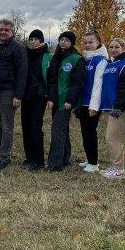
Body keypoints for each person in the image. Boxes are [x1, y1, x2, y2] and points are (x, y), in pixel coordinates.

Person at [0, 18, 27, 170]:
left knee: (6, 125)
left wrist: (18, 95)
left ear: (11, 31)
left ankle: (5, 157)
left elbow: (22, 72)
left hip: (8, 91)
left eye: (6, 30)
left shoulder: (18, 48)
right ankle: (2, 154)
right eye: (1, 30)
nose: (3, 32)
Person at [46, 31, 85, 171]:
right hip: (55, 100)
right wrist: (51, 98)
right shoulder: (55, 57)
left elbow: (77, 82)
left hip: (66, 100)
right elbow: (52, 81)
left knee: (57, 130)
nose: (63, 42)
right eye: (61, 39)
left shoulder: (76, 59)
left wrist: (70, 100)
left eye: (67, 40)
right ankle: (64, 158)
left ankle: (55, 164)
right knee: (62, 130)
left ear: (72, 43)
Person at [99, 38, 125, 180]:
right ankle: (114, 167)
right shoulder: (109, 64)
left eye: (117, 47)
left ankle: (119, 171)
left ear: (123, 48)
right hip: (107, 107)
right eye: (111, 47)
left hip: (118, 109)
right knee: (111, 138)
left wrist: (119, 106)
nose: (113, 49)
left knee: (112, 138)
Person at [77, 30, 109, 173]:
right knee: (85, 132)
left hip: (92, 104)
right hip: (83, 102)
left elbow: (98, 84)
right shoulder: (85, 59)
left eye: (91, 42)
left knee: (90, 132)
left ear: (98, 43)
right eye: (85, 42)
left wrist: (94, 106)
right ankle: (89, 159)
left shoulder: (101, 60)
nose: (88, 45)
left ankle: (94, 163)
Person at [21, 29, 52, 170]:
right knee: (26, 126)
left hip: (40, 96)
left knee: (35, 127)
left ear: (41, 41)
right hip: (26, 95)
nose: (33, 42)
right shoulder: (25, 54)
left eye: (36, 39)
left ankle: (38, 160)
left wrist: (50, 96)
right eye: (31, 39)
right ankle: (29, 157)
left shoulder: (47, 56)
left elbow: (50, 78)